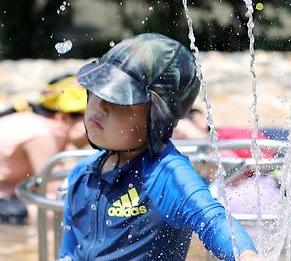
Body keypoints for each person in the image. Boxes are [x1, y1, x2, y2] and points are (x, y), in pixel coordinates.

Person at [57, 33, 261, 261]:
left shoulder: (165, 174)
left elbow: (213, 220)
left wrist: (246, 255)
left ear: (158, 118)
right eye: (96, 91)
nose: (100, 105)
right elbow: (67, 253)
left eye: (118, 98)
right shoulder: (82, 175)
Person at [0, 74, 86, 225]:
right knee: (56, 210)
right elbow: (55, 192)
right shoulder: (42, 134)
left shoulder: (30, 120)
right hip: (4, 205)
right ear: (63, 117)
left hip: (7, 198)